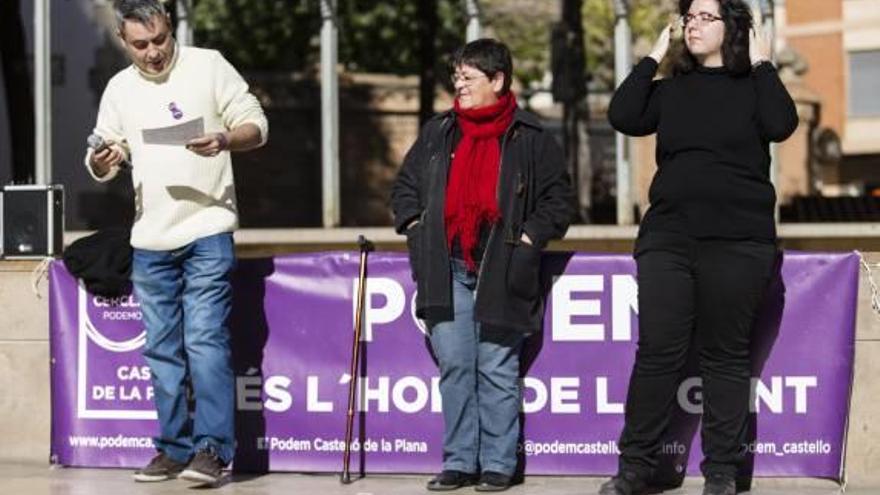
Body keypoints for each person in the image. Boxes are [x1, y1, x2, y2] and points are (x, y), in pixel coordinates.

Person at [599, 1, 797, 494]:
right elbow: (623, 114)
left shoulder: (755, 85)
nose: (693, 24)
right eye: (689, 17)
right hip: (669, 237)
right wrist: (654, 54)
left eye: (706, 16)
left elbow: (781, 125)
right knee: (658, 352)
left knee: (725, 357)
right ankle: (634, 468)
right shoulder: (671, 89)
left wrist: (763, 62)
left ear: (734, 28)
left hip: (738, 240)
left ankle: (723, 473)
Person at [84, 0, 268, 485]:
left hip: (207, 227)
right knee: (162, 351)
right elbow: (104, 153)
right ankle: (171, 448)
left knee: (204, 341)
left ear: (171, 28)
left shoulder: (207, 65)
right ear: (125, 42)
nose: (153, 53)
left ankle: (211, 450)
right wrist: (103, 159)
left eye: (160, 40)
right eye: (140, 45)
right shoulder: (119, 88)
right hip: (149, 238)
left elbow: (256, 123)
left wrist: (226, 139)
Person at [391, 39, 574, 492]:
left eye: (469, 77)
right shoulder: (439, 132)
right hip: (445, 264)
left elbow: (559, 201)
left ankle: (497, 464)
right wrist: (416, 229)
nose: (459, 84)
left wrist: (529, 239)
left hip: (504, 265)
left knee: (496, 367)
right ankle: (458, 462)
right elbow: (405, 188)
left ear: (498, 80)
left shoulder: (531, 137)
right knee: (455, 364)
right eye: (457, 76)